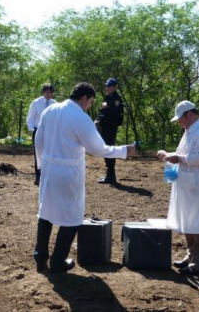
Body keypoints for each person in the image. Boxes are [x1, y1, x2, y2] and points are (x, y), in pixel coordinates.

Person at [33, 82, 134, 274]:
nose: (90, 106)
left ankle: (40, 256)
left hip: (49, 168)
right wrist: (123, 150)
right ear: (83, 98)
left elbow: (39, 139)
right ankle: (58, 260)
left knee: (45, 212)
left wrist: (41, 165)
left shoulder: (50, 110)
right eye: (90, 102)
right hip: (68, 171)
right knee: (72, 216)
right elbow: (97, 149)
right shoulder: (80, 117)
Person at [157, 100, 199, 275]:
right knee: (189, 220)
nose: (178, 122)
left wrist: (177, 158)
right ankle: (190, 255)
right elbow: (184, 155)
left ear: (190, 114)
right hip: (188, 185)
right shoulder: (189, 131)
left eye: (180, 118)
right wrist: (170, 157)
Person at [95, 78, 124, 184]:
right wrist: (98, 120)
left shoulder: (117, 99)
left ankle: (111, 176)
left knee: (109, 149)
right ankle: (109, 175)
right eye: (107, 86)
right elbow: (103, 112)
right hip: (105, 126)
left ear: (114, 87)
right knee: (106, 149)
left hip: (111, 128)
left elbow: (116, 115)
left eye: (110, 86)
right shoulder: (107, 97)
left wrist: (106, 108)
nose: (107, 88)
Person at [26, 83, 56, 186]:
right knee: (38, 154)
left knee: (49, 153)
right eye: (47, 92)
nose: (49, 94)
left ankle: (48, 176)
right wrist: (33, 131)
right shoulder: (36, 103)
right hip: (38, 130)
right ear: (43, 92)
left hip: (50, 132)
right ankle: (38, 177)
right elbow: (29, 118)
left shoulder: (55, 104)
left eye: (51, 92)